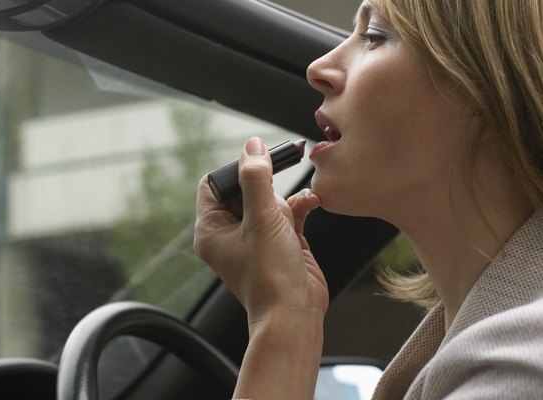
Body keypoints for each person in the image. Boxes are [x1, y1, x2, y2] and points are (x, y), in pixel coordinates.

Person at [194, 0, 543, 398]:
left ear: (489, 91)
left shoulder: (520, 367)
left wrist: (279, 323)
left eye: (374, 36)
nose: (317, 69)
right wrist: (290, 312)